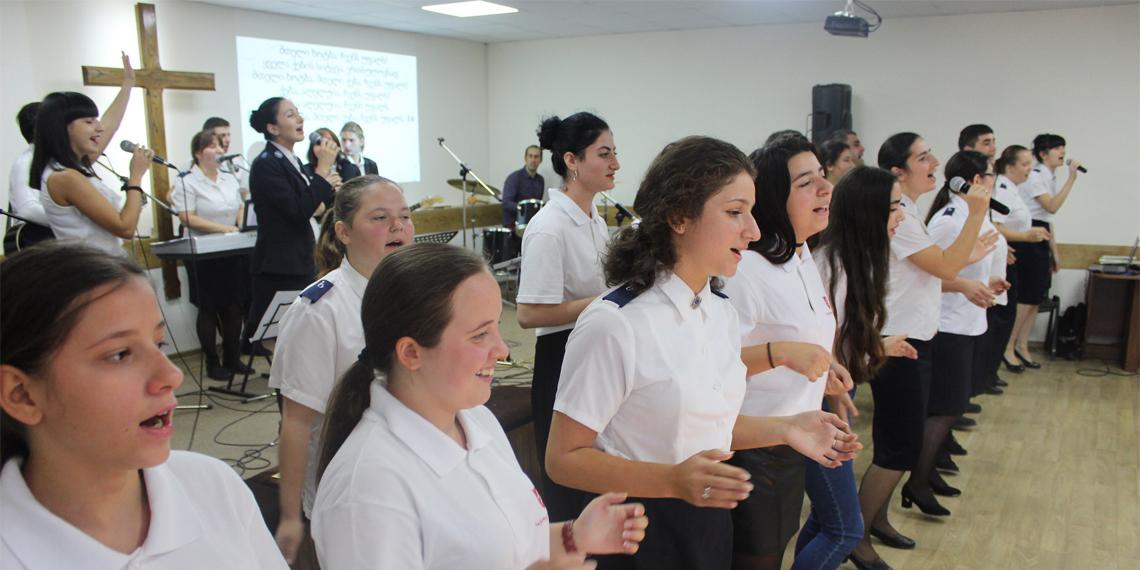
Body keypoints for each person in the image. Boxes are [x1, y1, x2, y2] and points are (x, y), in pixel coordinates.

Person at [546, 136, 862, 570]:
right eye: (735, 213)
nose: (753, 231)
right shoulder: (616, 322)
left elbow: (711, 427)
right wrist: (673, 481)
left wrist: (789, 428)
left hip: (707, 516)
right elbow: (563, 460)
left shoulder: (719, 311)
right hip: (636, 528)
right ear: (679, 216)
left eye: (750, 213)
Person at [311, 242, 649, 569]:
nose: (502, 350)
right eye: (479, 335)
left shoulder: (476, 421)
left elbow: (497, 547)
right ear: (411, 353)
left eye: (496, 327)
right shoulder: (369, 490)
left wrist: (572, 536)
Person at [0, 242, 287, 568]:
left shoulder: (211, 485)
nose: (172, 375)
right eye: (119, 354)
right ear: (21, 393)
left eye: (159, 343)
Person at [848, 133, 993, 570]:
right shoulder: (903, 218)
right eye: (923, 157)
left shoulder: (908, 214)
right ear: (898, 172)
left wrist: (965, 276)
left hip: (914, 337)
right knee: (897, 447)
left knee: (903, 445)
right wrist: (977, 213)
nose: (934, 162)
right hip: (897, 341)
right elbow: (944, 265)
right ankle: (856, 536)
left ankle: (877, 520)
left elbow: (932, 274)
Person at [720, 134, 858, 570]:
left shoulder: (800, 257)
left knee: (781, 545)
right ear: (776, 198)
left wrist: (826, 367)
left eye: (822, 176)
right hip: (751, 444)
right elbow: (712, 367)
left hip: (792, 438)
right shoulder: (748, 271)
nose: (825, 188)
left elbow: (808, 334)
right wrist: (781, 353)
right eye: (806, 182)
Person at [270, 175, 414, 567]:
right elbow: (297, 423)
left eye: (405, 216)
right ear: (344, 232)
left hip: (408, 475)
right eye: (381, 218)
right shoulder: (319, 311)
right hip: (349, 485)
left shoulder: (417, 295)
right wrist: (289, 517)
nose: (398, 226)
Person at [516, 112, 618, 520]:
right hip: (561, 357)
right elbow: (527, 313)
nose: (615, 164)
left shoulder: (595, 220)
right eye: (605, 153)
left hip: (593, 350)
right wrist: (605, 300)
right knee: (569, 486)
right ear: (572, 160)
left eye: (615, 153)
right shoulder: (549, 227)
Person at [815, 166, 917, 570]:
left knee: (830, 521)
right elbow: (821, 346)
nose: (901, 217)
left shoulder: (861, 260)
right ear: (865, 212)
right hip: (820, 397)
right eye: (893, 208)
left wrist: (877, 344)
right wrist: (870, 349)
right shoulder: (831, 265)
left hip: (840, 387)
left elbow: (843, 339)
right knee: (843, 527)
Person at [31, 53, 151, 257]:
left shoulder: (76, 166)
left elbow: (110, 124)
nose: (99, 128)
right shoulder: (65, 177)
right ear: (64, 128)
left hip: (104, 265)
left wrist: (128, 84)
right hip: (91, 272)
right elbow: (125, 228)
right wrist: (136, 177)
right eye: (89, 122)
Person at [244, 97, 337, 354]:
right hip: (281, 266)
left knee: (306, 339)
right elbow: (297, 210)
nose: (300, 119)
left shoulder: (291, 160)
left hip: (303, 258)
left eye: (298, 113)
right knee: (285, 342)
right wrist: (323, 171)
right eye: (290, 115)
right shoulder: (266, 164)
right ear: (273, 128)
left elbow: (311, 206)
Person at [170, 129, 250, 382]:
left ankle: (232, 357)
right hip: (202, 252)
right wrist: (223, 228)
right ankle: (212, 362)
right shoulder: (187, 180)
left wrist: (238, 225)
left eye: (220, 145)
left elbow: (240, 206)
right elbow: (186, 216)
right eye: (212, 146)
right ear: (198, 152)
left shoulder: (228, 178)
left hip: (231, 248)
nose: (219, 150)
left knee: (234, 306)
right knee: (208, 308)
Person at [1011, 133, 1082, 368]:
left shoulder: (1048, 176)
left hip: (1041, 234)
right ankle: (1008, 346)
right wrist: (1071, 179)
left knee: (1035, 299)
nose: (1062, 152)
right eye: (1057, 148)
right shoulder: (1036, 176)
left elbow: (1047, 219)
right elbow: (1051, 206)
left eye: (1064, 147)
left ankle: (1023, 345)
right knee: (1025, 297)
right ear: (1043, 154)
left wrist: (1054, 251)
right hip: (1027, 235)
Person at [993, 145, 1051, 372]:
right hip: (1013, 248)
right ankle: (1007, 350)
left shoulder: (1014, 188)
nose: (1029, 169)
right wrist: (1026, 236)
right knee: (1017, 304)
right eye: (1024, 164)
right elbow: (996, 227)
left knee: (1032, 299)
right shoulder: (1002, 188)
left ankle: (1018, 345)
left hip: (1025, 244)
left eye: (1030, 164)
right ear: (1009, 166)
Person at [5, 102, 54, 253]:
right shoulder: (26, 163)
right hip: (41, 249)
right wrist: (69, 220)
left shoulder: (56, 162)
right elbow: (28, 210)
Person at [203, 116, 250, 199]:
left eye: (229, 135)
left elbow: (244, 193)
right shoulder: (193, 164)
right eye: (223, 136)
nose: (228, 140)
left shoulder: (236, 162)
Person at [502, 145, 546, 228]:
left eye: (536, 157)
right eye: (530, 156)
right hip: (513, 225)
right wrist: (526, 208)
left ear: (540, 160)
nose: (533, 160)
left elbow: (537, 204)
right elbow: (506, 203)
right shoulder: (514, 178)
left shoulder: (541, 180)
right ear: (525, 158)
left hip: (532, 225)